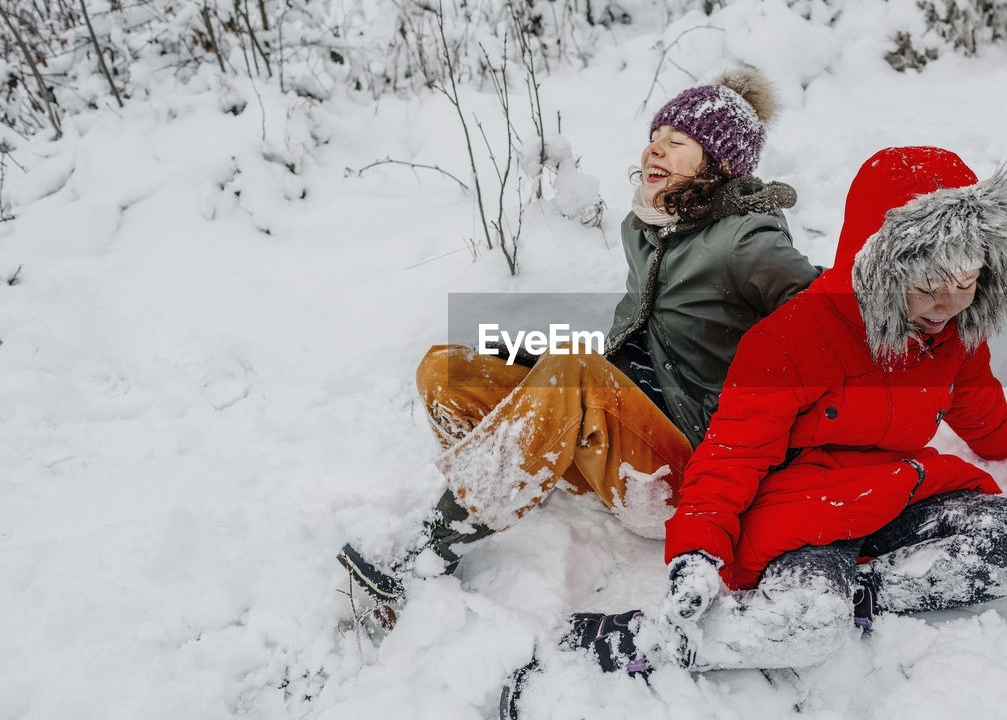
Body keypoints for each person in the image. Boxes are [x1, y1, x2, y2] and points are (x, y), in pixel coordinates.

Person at [532, 145, 1007, 683]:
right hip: (804, 517)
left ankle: (861, 596)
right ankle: (636, 642)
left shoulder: (951, 336)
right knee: (808, 628)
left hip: (898, 491)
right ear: (879, 267)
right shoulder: (789, 342)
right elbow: (730, 457)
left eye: (966, 285)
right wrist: (697, 554)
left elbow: (978, 403)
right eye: (929, 287)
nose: (947, 305)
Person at [338, 68, 820, 606]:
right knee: (446, 368)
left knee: (570, 371)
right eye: (654, 138)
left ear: (720, 163)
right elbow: (638, 342)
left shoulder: (746, 239)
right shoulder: (647, 227)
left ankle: (432, 547)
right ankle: (515, 469)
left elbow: (826, 318)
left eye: (676, 142)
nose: (654, 150)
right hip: (616, 441)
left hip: (680, 473)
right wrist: (533, 367)